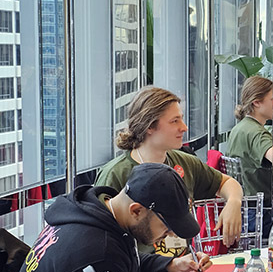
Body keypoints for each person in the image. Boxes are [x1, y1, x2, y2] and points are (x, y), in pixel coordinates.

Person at [19, 163, 212, 272]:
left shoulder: (93, 213)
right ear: (136, 211)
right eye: (167, 226)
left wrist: (171, 265)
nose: (171, 234)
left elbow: (123, 262)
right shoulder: (96, 249)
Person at [95, 86, 244, 253]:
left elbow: (225, 182)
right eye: (175, 121)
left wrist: (233, 202)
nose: (184, 127)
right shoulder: (115, 174)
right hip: (139, 268)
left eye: (182, 119)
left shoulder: (185, 162)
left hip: (183, 265)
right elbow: (102, 235)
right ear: (149, 126)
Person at [225, 76, 273, 237]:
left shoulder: (239, 129)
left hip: (245, 210)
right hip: (262, 213)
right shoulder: (257, 133)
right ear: (257, 102)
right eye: (272, 99)